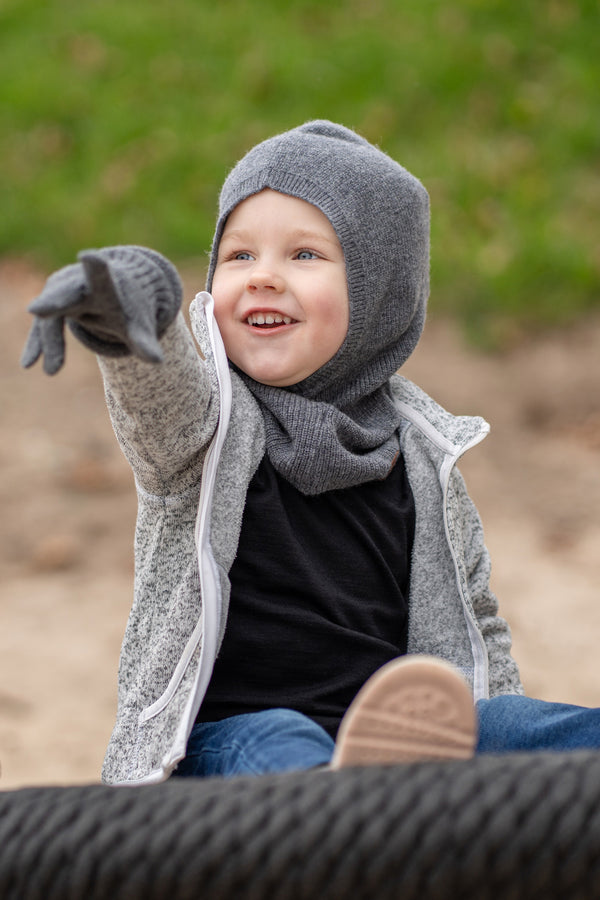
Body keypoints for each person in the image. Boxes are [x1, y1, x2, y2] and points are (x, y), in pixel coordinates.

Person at [21, 121, 600, 784]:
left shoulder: (423, 452)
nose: (263, 277)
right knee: (287, 742)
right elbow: (159, 397)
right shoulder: (207, 424)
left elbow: (476, 625)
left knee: (529, 727)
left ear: (379, 291)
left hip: (399, 743)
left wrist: (493, 755)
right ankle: (337, 824)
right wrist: (134, 314)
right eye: (239, 256)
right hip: (224, 745)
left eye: (303, 255)